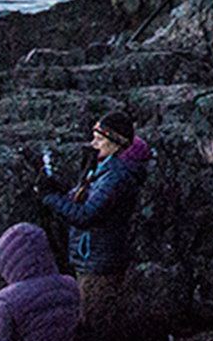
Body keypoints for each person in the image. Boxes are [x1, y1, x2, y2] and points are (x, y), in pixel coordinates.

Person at [39, 110, 152, 284]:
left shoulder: (116, 178)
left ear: (116, 144)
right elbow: (84, 200)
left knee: (92, 308)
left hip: (99, 266)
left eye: (99, 140)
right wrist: (59, 191)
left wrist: (49, 197)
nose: (93, 144)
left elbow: (85, 216)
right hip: (93, 260)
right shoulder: (104, 171)